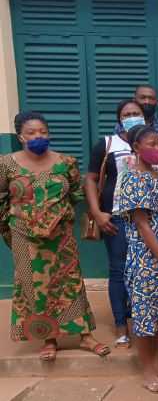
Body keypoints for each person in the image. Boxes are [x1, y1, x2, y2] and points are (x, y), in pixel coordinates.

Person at [0, 111, 108, 361]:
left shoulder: (66, 162)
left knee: (70, 283)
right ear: (20, 136)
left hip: (61, 236)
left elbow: (76, 195)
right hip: (24, 238)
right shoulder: (6, 164)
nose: (38, 136)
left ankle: (85, 336)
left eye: (43, 132)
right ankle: (49, 339)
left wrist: (72, 219)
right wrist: (12, 225)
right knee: (36, 288)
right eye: (31, 133)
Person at [116, 125, 158, 394]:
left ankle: (157, 364)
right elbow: (143, 225)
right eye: (151, 144)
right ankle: (147, 372)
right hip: (146, 257)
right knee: (145, 317)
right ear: (136, 148)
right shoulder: (133, 179)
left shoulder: (157, 175)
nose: (157, 149)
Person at [85, 99, 146, 348]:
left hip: (149, 218)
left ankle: (147, 324)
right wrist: (97, 213)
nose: (132, 116)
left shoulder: (156, 143)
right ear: (119, 118)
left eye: (137, 113)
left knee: (147, 272)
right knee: (118, 271)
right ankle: (121, 325)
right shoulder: (108, 144)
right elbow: (90, 179)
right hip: (117, 218)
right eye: (127, 114)